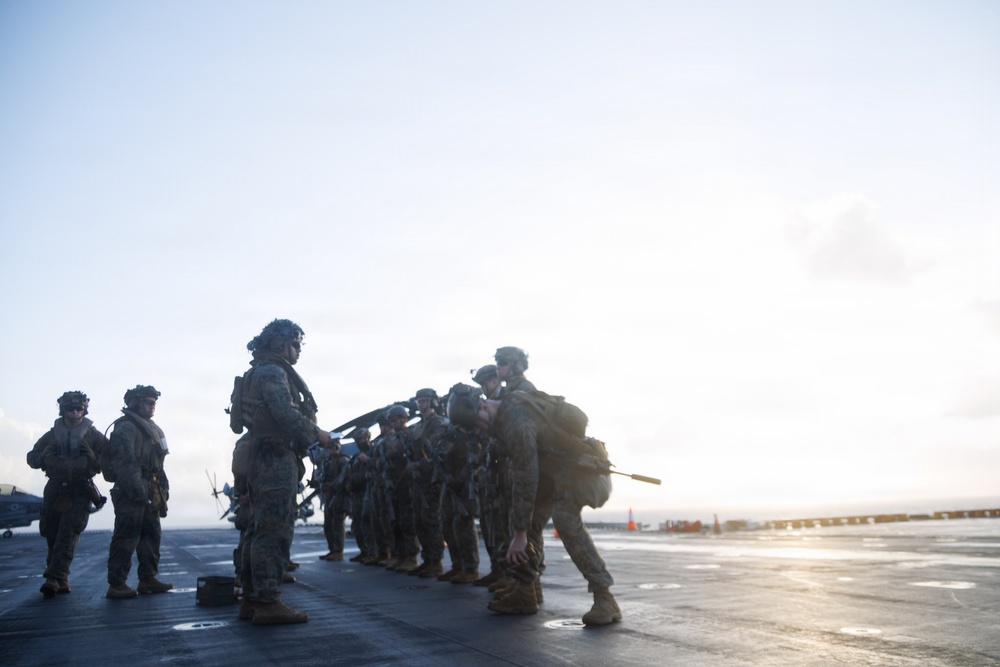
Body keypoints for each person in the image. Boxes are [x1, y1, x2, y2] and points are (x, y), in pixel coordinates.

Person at [446, 384, 622, 626]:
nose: (478, 429)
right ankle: (526, 592)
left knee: (565, 522)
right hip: (547, 473)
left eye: (477, 423)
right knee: (525, 523)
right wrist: (521, 529)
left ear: (483, 406)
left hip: (569, 470)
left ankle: (605, 598)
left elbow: (525, 477)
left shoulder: (516, 421)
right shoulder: (501, 415)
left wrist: (520, 535)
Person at [237, 319, 334, 625]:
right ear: (279, 345)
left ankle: (253, 600)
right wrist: (316, 433)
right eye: (295, 344)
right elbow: (284, 412)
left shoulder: (262, 370)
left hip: (265, 456)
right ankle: (268, 602)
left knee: (258, 529)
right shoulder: (272, 371)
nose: (298, 350)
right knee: (274, 531)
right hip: (274, 458)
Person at [26, 391, 107, 597]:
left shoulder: (92, 435)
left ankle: (53, 577)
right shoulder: (53, 434)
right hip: (55, 488)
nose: (73, 412)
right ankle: (61, 578)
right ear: (63, 410)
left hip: (80, 489)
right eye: (69, 409)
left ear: (84, 410)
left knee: (68, 532)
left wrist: (93, 458)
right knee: (51, 532)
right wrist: (44, 456)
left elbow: (110, 459)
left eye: (78, 408)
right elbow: (32, 458)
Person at [105, 385, 173, 599]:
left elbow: (160, 463)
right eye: (147, 401)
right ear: (134, 402)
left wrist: (162, 489)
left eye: (154, 401)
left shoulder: (155, 429)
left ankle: (148, 578)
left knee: (152, 535)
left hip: (151, 490)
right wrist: (138, 492)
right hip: (131, 492)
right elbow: (126, 464)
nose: (152, 405)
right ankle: (117, 583)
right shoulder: (125, 428)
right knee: (126, 537)